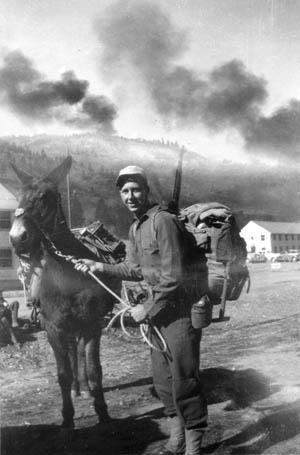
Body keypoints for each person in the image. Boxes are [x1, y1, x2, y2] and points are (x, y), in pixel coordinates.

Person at [75, 165, 208, 455]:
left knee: (184, 379)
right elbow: (134, 269)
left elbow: (174, 276)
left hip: (179, 313)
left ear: (146, 190)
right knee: (162, 381)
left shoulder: (163, 221)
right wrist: (100, 266)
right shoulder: (136, 227)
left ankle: (194, 444)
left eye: (136, 189)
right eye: (124, 191)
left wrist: (145, 309)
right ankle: (177, 438)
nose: (130, 195)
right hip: (156, 315)